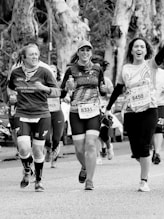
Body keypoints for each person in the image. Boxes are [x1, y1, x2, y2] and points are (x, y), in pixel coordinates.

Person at [105, 26, 164, 192]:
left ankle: (144, 180)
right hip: (131, 112)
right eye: (136, 46)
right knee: (136, 151)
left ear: (146, 51)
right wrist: (108, 108)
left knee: (144, 146)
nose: (139, 49)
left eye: (142, 47)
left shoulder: (151, 65)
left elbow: (162, 53)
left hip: (150, 110)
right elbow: (118, 89)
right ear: (131, 50)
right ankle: (146, 160)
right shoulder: (125, 69)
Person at [8, 44, 61, 192]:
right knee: (24, 148)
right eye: (31, 54)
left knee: (37, 150)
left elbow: (58, 92)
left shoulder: (45, 72)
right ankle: (26, 169)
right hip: (22, 113)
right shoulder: (16, 73)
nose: (35, 57)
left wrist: (44, 88)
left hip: (42, 114)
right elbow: (11, 88)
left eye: (36, 54)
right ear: (23, 57)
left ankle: (38, 180)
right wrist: (11, 97)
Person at [60, 40, 107, 190]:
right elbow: (61, 93)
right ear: (78, 53)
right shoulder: (71, 70)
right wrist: (68, 88)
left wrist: (106, 89)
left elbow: (103, 89)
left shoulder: (97, 69)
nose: (85, 53)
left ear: (91, 53)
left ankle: (90, 180)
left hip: (93, 111)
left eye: (88, 50)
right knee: (79, 149)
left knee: (91, 144)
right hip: (76, 112)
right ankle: (85, 167)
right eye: (82, 50)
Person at [44, 64, 65, 168]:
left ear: (57, 73)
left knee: (57, 138)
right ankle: (48, 148)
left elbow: (65, 94)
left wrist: (66, 95)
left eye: (54, 71)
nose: (52, 73)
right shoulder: (43, 83)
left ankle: (54, 158)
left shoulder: (60, 84)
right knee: (46, 138)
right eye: (50, 70)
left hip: (57, 112)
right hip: (45, 113)